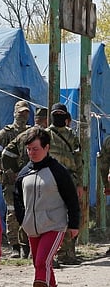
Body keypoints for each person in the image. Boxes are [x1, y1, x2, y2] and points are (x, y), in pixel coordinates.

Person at [14, 128, 80, 287]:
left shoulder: (57, 171)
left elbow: (71, 199)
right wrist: (22, 219)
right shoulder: (24, 173)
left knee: (42, 260)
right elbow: (18, 198)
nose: (31, 153)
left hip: (55, 225)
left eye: (35, 148)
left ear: (47, 147)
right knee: (41, 263)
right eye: (28, 149)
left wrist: (74, 224)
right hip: (32, 228)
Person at [0, 100, 32, 259]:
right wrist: (8, 171)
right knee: (12, 212)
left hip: (28, 180)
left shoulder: (31, 132)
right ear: (15, 113)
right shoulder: (5, 134)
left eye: (26, 113)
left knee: (28, 211)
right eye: (21, 113)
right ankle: (14, 245)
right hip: (11, 181)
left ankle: (26, 244)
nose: (23, 116)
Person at [45, 103, 83, 264]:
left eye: (61, 113)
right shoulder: (45, 135)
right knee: (51, 216)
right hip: (50, 180)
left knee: (70, 215)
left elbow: (78, 160)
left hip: (70, 180)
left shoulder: (71, 136)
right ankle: (50, 254)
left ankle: (67, 253)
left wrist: (80, 183)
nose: (58, 116)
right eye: (56, 113)